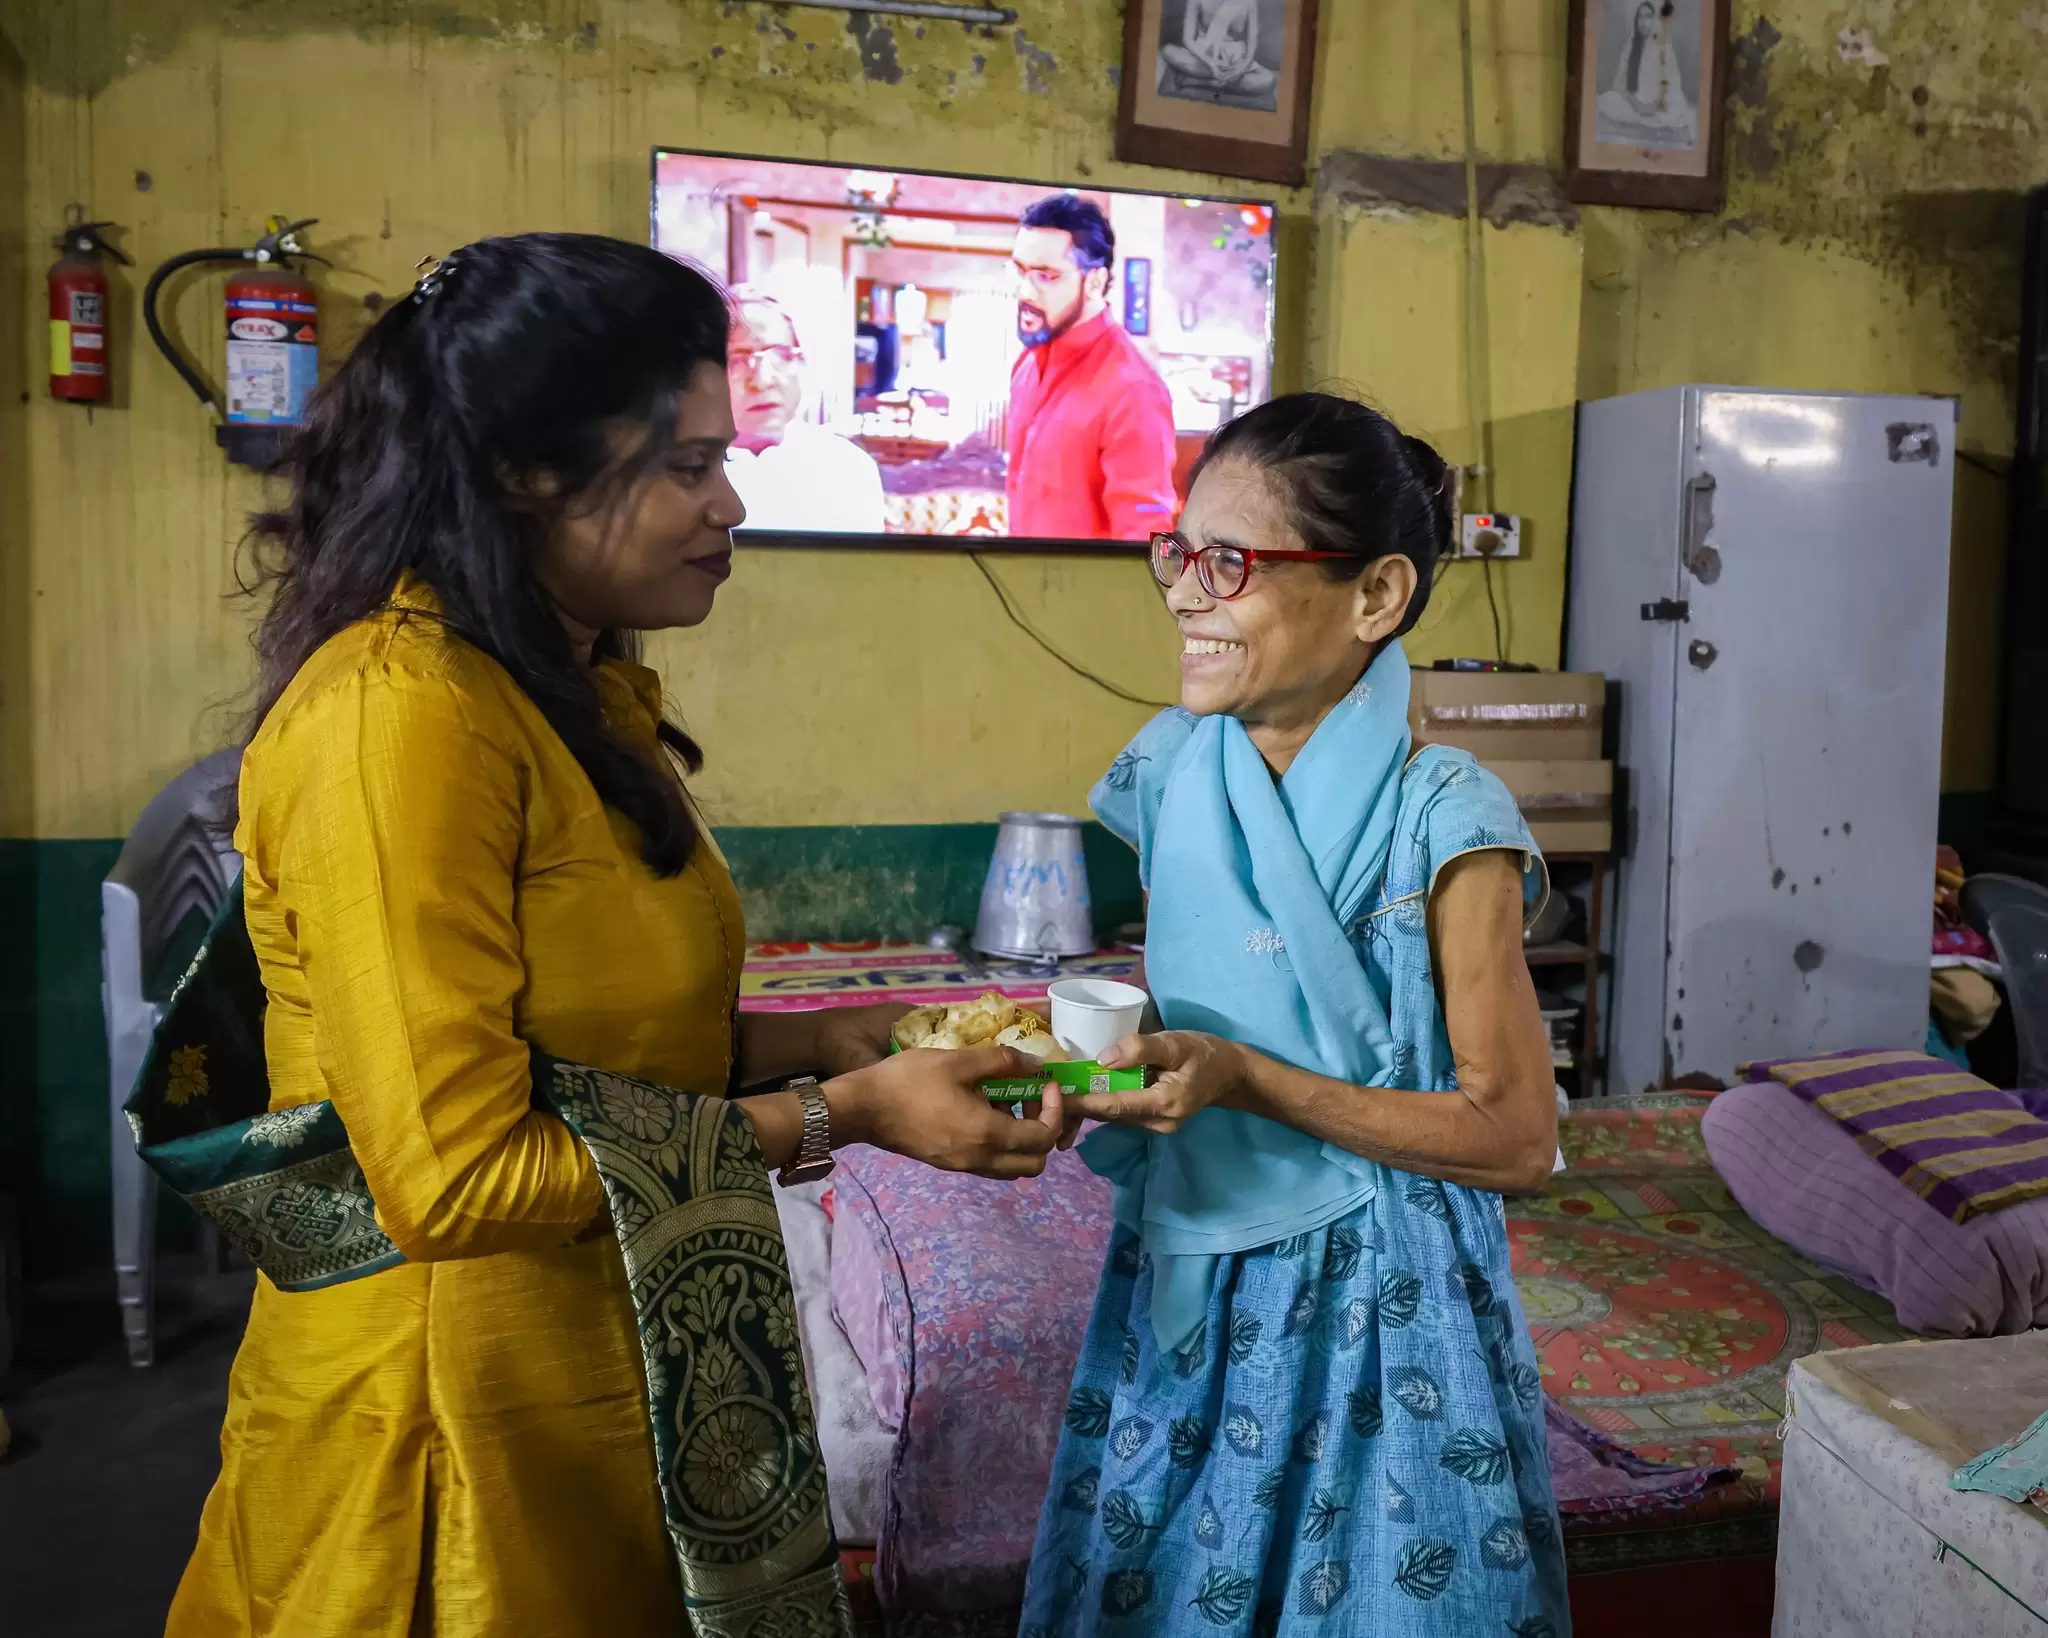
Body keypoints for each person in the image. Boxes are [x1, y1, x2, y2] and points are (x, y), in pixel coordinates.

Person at [162, 234, 1064, 1637]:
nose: (731, 502)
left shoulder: (556, 695)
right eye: (688, 465)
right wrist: (847, 1115)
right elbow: (456, 1177)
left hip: (588, 1362)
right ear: (527, 473)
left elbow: (610, 1053)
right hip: (444, 1417)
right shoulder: (400, 719)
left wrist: (856, 1035)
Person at [1019, 393, 1570, 1636]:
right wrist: (1096, 1058)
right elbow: (1219, 983)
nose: (1182, 593)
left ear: (1375, 595)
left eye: (1229, 562)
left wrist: (1248, 1078)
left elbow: (1515, 1140)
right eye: (1176, 552)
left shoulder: (1445, 822)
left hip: (1375, 1297)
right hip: (1185, 1254)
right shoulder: (1173, 769)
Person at [1005, 195, 1177, 543]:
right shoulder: (1026, 365)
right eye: (1020, 271)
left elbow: (1141, 535)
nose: (1025, 291)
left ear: (1095, 281)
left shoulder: (1133, 388)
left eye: (1046, 276)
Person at [724, 286, 888, 534]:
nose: (762, 380)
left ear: (801, 363)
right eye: (738, 360)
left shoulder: (849, 469)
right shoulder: (675, 473)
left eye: (781, 355)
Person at [1596, 0, 1696, 148]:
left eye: (1648, 16)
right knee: (1607, 99)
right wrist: (1634, 102)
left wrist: (1654, 106)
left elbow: (1671, 82)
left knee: (1677, 112)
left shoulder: (1663, 47)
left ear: (1654, 19)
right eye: (1640, 17)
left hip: (1657, 104)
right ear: (1636, 21)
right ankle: (1643, 120)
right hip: (1634, 101)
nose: (1644, 22)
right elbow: (1618, 83)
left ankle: (1651, 121)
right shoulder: (1631, 47)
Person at [1158, 0, 1278, 105]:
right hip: (1203, 58)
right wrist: (1209, 62)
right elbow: (1187, 39)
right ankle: (1220, 81)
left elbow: (1252, 44)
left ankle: (1199, 82)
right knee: (1168, 50)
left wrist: (1241, 68)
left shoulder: (1249, 1)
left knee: (1267, 79)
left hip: (1234, 60)